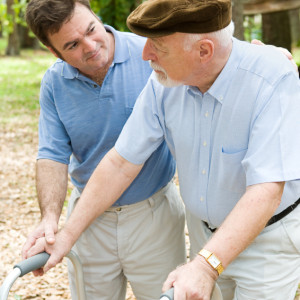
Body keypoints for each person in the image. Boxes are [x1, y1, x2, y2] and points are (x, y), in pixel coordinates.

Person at [24, 1, 300, 300]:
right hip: (204, 236)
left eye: (157, 46)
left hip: (267, 243)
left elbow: (267, 189)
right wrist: (65, 235)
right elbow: (120, 162)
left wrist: (206, 267)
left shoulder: (272, 77)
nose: (145, 54)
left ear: (204, 52)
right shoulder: (163, 83)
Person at [22, 1, 187, 299]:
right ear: (53, 52)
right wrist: (49, 219)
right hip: (88, 221)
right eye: (72, 45)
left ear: (96, 16)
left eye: (91, 29)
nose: (90, 46)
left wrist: (267, 57)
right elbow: (52, 155)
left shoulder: (150, 54)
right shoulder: (54, 83)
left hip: (153, 215)